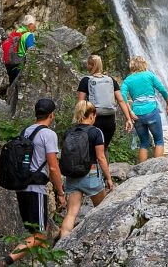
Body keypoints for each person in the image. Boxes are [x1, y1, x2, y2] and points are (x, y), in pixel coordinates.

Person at [0, 98, 66, 267]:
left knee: (35, 231)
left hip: (21, 187)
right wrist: (61, 193)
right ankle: (6, 261)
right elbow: (53, 167)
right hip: (36, 188)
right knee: (40, 235)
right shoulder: (48, 134)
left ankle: (36, 262)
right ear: (51, 115)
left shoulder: (25, 131)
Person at [59, 101, 115, 239]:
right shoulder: (96, 132)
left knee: (71, 213)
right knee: (102, 210)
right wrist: (108, 178)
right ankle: (101, 241)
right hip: (90, 174)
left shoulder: (69, 132)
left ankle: (62, 246)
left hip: (72, 176)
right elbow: (101, 157)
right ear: (91, 115)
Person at [120, 56, 168, 163]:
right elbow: (162, 90)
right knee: (158, 141)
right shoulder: (149, 75)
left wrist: (130, 112)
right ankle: (158, 168)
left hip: (137, 115)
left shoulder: (128, 80)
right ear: (144, 65)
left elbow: (122, 96)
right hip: (152, 112)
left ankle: (143, 172)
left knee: (144, 142)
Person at [77, 55, 134, 153]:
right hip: (110, 120)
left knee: (91, 149)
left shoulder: (85, 80)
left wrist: (78, 120)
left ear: (91, 65)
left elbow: (81, 103)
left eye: (88, 64)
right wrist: (128, 119)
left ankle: (93, 168)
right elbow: (121, 100)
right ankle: (104, 167)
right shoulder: (111, 80)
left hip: (92, 119)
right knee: (103, 148)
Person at [5, 14, 38, 85]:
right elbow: (32, 52)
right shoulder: (29, 35)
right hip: (20, 65)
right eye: (34, 25)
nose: (35, 27)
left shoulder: (17, 31)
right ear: (30, 25)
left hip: (9, 64)